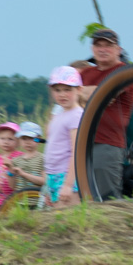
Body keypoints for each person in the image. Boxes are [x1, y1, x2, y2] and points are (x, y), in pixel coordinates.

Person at [80, 28, 133, 199]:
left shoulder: (124, 71)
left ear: (118, 50)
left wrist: (82, 93)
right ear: (92, 49)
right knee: (84, 197)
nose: (102, 49)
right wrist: (88, 94)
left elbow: (106, 95)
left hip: (107, 143)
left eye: (108, 46)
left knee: (107, 199)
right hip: (82, 143)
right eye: (98, 45)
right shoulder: (86, 73)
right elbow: (69, 98)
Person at [42, 66, 84, 207]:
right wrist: (48, 185)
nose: (62, 94)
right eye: (57, 90)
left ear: (78, 90)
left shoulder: (76, 115)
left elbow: (76, 152)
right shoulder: (59, 115)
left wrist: (68, 184)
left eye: (67, 89)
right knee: (57, 222)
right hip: (53, 176)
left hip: (67, 176)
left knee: (69, 222)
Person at [6, 121, 45, 192]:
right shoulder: (15, 161)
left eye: (31, 138)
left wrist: (23, 174)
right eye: (24, 138)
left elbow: (44, 181)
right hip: (20, 201)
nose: (27, 142)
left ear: (38, 139)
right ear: (19, 140)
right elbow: (12, 186)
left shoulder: (42, 158)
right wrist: (10, 169)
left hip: (38, 201)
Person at [0, 122, 22, 210]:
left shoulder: (20, 156)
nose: (6, 142)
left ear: (17, 142)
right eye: (2, 138)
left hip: (15, 196)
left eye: (10, 139)